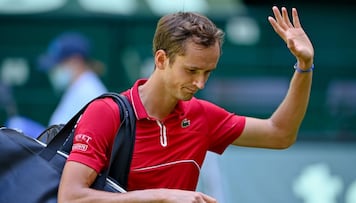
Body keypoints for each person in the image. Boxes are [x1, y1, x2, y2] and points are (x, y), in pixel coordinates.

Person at [58, 6, 314, 203]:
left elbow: (280, 134)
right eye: (191, 70)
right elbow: (70, 197)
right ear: (161, 59)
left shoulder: (202, 116)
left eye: (208, 72)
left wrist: (304, 67)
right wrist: (161, 196)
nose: (200, 83)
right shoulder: (106, 113)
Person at [38, 31, 108, 126]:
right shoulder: (78, 87)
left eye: (59, 65)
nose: (53, 71)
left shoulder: (88, 93)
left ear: (76, 61)